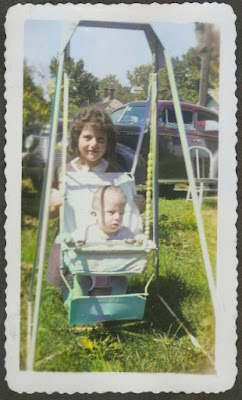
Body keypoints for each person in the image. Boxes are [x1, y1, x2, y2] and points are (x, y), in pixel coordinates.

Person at [47, 108, 145, 287]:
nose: (94, 144)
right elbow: (50, 214)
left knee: (108, 281)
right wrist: (54, 206)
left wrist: (140, 205)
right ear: (77, 139)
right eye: (88, 138)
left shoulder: (115, 172)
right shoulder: (64, 172)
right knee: (59, 285)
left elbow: (127, 207)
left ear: (108, 143)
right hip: (72, 238)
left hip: (105, 242)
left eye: (101, 139)